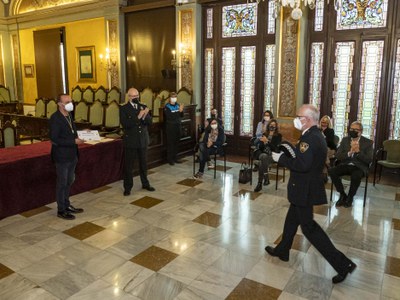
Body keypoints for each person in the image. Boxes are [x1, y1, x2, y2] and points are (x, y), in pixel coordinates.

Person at [266, 104, 356, 284]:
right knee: (292, 219)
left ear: (306, 120)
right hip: (304, 188)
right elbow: (304, 159)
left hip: (303, 189)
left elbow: (302, 165)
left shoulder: (310, 138)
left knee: (310, 229)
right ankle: (283, 250)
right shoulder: (313, 135)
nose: (297, 119)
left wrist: (280, 159)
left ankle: (342, 264)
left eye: (299, 116)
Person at [49, 94, 85, 220]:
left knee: (69, 181)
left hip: (72, 155)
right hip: (62, 156)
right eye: (67, 101)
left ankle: (67, 204)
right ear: (59, 104)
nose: (70, 103)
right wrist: (73, 142)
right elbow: (54, 139)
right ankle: (61, 210)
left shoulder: (69, 115)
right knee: (62, 183)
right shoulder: (55, 118)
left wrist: (83, 135)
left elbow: (72, 133)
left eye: (71, 101)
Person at [328, 121, 373, 208]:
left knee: (356, 175)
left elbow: (369, 160)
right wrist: (349, 152)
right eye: (351, 129)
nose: (353, 131)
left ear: (361, 131)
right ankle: (342, 194)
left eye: (356, 129)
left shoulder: (368, 142)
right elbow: (338, 155)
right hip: (346, 164)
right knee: (332, 171)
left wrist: (358, 152)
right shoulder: (345, 140)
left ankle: (350, 197)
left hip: (359, 167)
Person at [120, 87, 155, 196]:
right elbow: (125, 124)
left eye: (137, 96)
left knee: (143, 164)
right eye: (133, 96)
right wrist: (138, 116)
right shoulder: (124, 108)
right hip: (131, 140)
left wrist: (145, 115)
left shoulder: (143, 106)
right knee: (129, 165)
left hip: (142, 140)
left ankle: (145, 183)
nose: (135, 98)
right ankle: (127, 187)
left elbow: (150, 122)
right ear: (128, 97)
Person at [253, 119, 282, 192]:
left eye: (274, 125)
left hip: (272, 155)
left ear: (276, 127)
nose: (272, 126)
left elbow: (276, 149)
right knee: (263, 156)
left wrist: (267, 142)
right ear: (268, 126)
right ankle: (265, 178)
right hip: (263, 154)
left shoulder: (278, 136)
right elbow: (261, 148)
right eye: (271, 125)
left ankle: (260, 183)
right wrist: (262, 142)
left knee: (261, 163)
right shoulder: (264, 134)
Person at [164, 92, 184, 165]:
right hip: (170, 127)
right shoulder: (167, 107)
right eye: (172, 97)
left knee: (176, 143)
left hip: (177, 126)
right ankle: (170, 159)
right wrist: (179, 111)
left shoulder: (178, 105)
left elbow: (181, 115)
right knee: (171, 143)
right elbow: (170, 117)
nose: (174, 98)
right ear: (169, 98)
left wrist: (181, 111)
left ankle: (175, 157)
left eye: (175, 97)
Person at [319, 115, 337, 182]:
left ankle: (324, 175)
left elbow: (330, 142)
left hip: (330, 148)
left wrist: (324, 137)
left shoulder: (330, 130)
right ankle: (328, 166)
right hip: (320, 149)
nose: (324, 123)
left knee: (324, 151)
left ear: (328, 123)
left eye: (326, 122)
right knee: (322, 154)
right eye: (323, 122)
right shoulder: (317, 129)